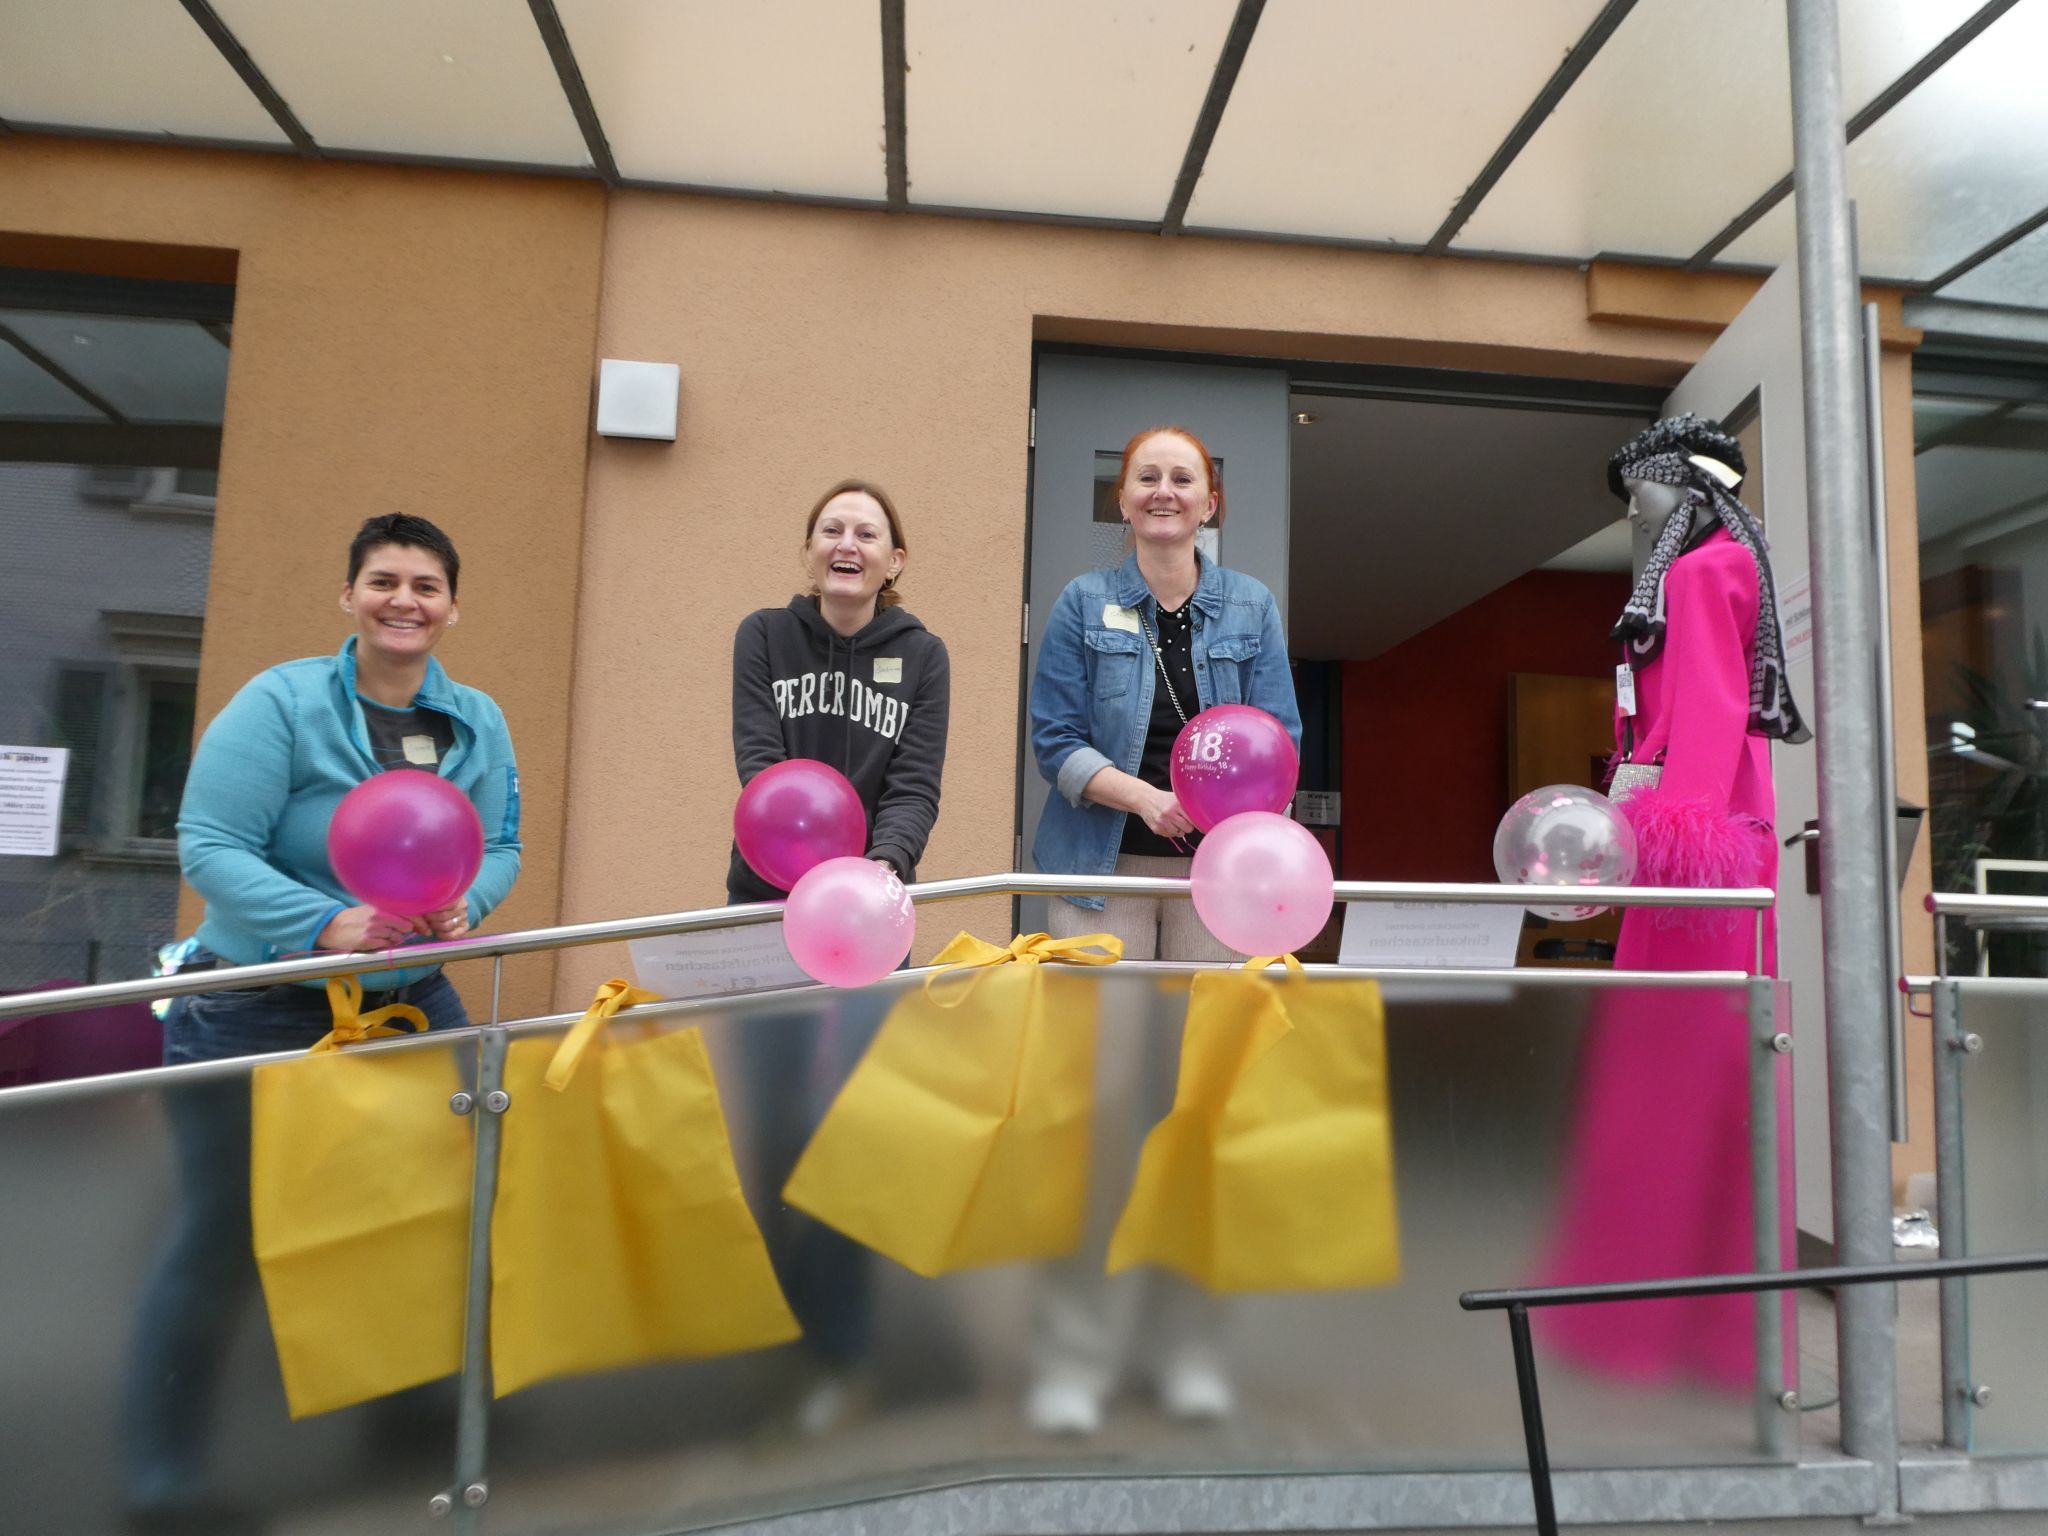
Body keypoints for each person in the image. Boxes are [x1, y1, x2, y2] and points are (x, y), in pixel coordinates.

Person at [122, 513, 520, 1533]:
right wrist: (321, 921)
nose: (404, 600)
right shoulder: (282, 703)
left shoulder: (475, 717)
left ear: (451, 607)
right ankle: (158, 1475)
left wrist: (469, 900)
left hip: (403, 997)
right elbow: (209, 843)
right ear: (349, 596)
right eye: (384, 580)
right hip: (254, 1000)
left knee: (424, 1210)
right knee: (223, 1238)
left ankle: (405, 1415)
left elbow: (501, 840)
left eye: (426, 585)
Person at [1025, 425, 1302, 1435]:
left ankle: (1186, 1350)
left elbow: (1281, 739)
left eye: (1181, 478)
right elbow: (1054, 742)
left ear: (1209, 500)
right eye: (1146, 476)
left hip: (1212, 893)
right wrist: (1144, 797)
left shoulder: (1250, 608)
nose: (1163, 492)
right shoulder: (1075, 605)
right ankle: (1073, 1359)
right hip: (1098, 883)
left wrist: (1222, 804)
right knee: (1093, 1124)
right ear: (1122, 497)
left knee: (1200, 1120)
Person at [1540, 415, 1806, 1392]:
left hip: (1695, 848)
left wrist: (1654, 829)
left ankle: (1639, 1327)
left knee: (1668, 1067)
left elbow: (1696, 716)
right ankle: (1705, 1328)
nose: (1630, 514)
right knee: (1712, 1071)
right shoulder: (1725, 562)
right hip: (1716, 830)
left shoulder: (1697, 573)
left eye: (1637, 495)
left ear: (1682, 490)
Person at [727, 478, 949, 1431]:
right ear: (809, 551)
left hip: (868, 923)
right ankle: (789, 1345)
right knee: (773, 1141)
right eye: (832, 528)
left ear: (894, 561)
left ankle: (853, 1355)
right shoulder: (763, 638)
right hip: (764, 913)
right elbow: (759, 763)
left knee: (851, 1143)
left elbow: (916, 784)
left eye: (868, 531)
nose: (848, 542)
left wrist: (875, 874)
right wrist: (810, 874)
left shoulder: (924, 655)